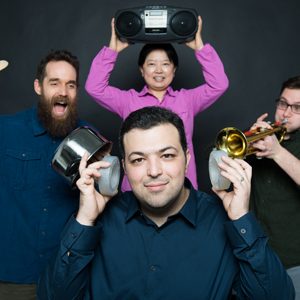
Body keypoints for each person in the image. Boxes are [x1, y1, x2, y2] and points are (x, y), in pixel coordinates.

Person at [38, 106, 294, 299]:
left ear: (188, 158)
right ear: (122, 167)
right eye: (138, 159)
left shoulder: (225, 220)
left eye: (167, 155)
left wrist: (241, 219)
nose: (154, 171)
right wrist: (85, 220)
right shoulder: (99, 220)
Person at [85, 16, 229, 192]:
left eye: (166, 64)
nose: (159, 70)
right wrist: (112, 51)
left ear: (174, 70)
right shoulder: (128, 100)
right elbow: (94, 87)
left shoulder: (187, 100)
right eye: (152, 64)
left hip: (182, 190)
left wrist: (200, 47)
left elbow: (219, 84)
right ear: (142, 70)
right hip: (135, 191)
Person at [0, 50, 87, 300]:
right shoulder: (5, 130)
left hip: (66, 280)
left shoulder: (90, 138)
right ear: (38, 87)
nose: (63, 91)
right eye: (54, 83)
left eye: (70, 85)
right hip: (11, 279)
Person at [248, 76, 300, 299]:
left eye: (297, 108)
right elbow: (214, 159)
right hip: (257, 256)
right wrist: (247, 140)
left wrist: (277, 152)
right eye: (283, 104)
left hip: (294, 260)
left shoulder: (276, 147)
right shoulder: (263, 138)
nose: (286, 113)